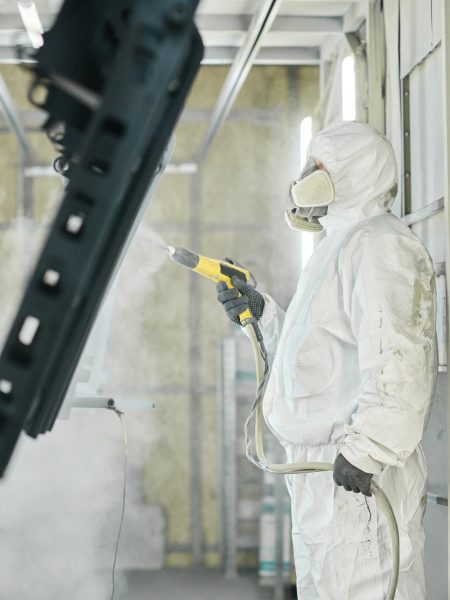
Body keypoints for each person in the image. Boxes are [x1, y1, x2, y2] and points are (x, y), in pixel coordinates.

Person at [216, 121, 437, 599]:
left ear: (354, 174)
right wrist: (264, 315)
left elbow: (399, 357)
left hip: (355, 470)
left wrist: (369, 450)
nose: (305, 176)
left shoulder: (380, 244)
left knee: (369, 588)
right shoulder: (337, 246)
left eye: (318, 167)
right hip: (322, 474)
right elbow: (317, 360)